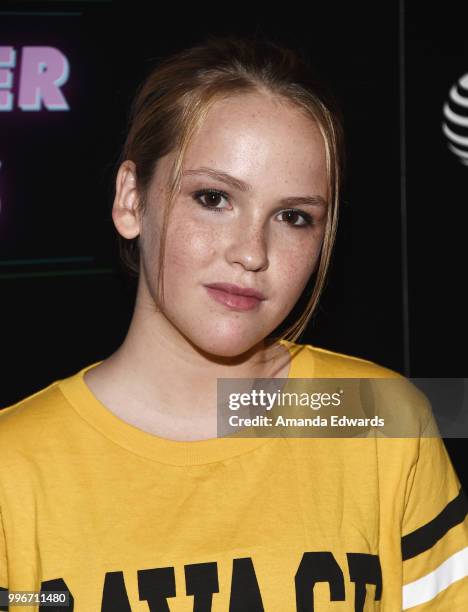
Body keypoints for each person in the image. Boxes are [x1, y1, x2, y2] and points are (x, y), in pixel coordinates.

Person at [0, 35, 467, 611]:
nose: (252, 252)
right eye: (214, 197)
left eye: (294, 216)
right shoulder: (11, 468)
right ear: (130, 200)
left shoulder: (376, 416)